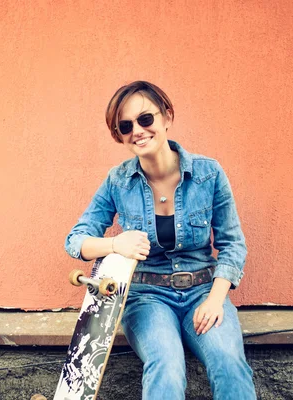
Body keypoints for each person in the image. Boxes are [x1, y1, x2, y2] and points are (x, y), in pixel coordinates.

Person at [65, 81, 256, 399]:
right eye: (125, 126)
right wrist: (116, 244)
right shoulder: (118, 181)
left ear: (166, 117)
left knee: (229, 362)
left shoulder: (208, 174)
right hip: (147, 297)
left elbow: (233, 243)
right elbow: (76, 240)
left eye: (145, 119)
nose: (137, 130)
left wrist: (214, 299)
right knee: (165, 363)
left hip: (203, 291)